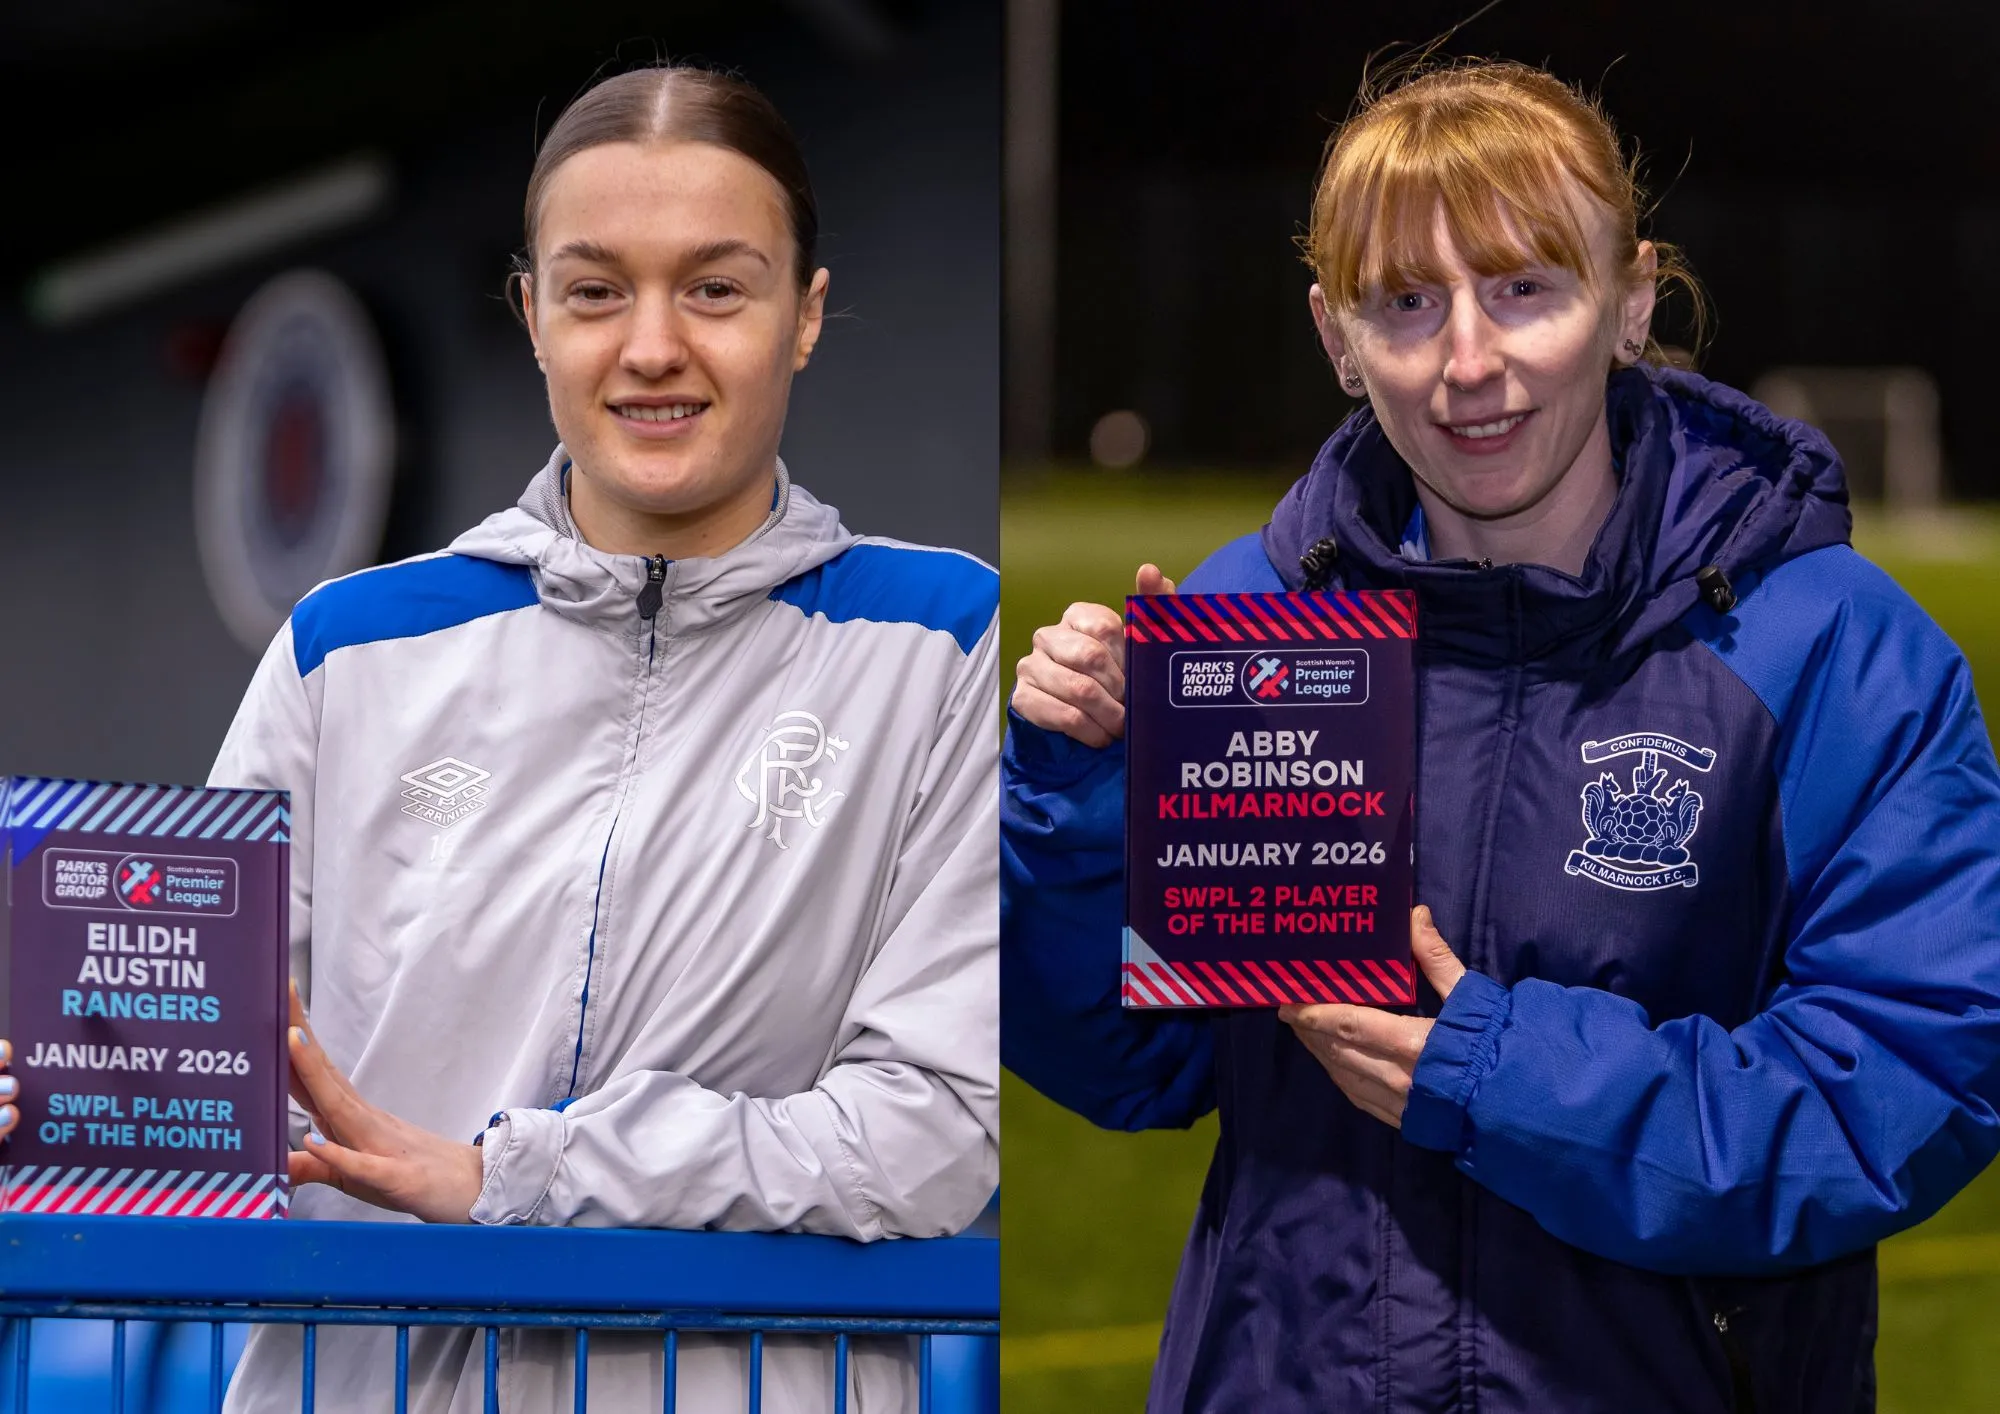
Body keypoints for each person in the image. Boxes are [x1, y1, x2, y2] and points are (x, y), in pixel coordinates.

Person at [1004, 59, 2000, 1412]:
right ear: (1336, 336)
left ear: (1631, 299)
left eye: (1525, 287)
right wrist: (1082, 797)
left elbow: (1904, 1078)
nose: (1469, 361)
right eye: (1407, 304)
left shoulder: (1834, 648)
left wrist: (1501, 1073)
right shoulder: (1248, 621)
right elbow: (1135, 1060)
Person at [141, 62, 993, 1413]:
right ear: (534, 316)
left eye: (716, 287)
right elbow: (188, 1078)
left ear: (806, 314)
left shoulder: (943, 641)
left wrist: (517, 1179)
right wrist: (66, 1094)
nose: (652, 345)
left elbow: (939, 1131)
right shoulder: (344, 648)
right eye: (596, 291)